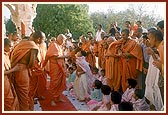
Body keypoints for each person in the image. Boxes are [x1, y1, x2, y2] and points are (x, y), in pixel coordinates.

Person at [10, 31, 44, 110]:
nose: (43, 41)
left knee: (19, 94)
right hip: (23, 71)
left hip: (16, 70)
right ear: (38, 39)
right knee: (24, 95)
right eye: (43, 39)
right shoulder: (34, 47)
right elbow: (31, 64)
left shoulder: (22, 43)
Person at [43, 34, 69, 106]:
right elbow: (55, 57)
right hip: (55, 66)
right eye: (64, 40)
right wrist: (66, 56)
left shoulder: (59, 46)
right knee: (54, 83)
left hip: (60, 67)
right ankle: (52, 100)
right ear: (60, 39)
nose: (64, 42)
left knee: (60, 82)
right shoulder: (54, 45)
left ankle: (58, 97)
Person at [4, 38, 24, 111]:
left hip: (7, 80)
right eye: (10, 46)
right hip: (4, 81)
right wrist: (14, 69)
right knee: (8, 100)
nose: (12, 48)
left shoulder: (6, 54)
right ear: (4, 46)